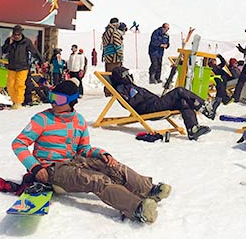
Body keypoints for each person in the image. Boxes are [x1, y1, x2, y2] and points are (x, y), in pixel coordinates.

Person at [11, 79, 170, 223]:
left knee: (112, 166)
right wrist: (36, 167)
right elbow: (18, 144)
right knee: (97, 180)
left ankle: (148, 189)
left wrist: (102, 154)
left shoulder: (78, 120)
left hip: (75, 162)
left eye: (58, 99)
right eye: (52, 97)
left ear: (72, 102)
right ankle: (137, 208)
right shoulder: (42, 119)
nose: (53, 102)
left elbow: (84, 148)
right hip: (51, 169)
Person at [110, 66, 215, 140]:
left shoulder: (130, 86)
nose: (129, 76)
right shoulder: (121, 89)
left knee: (183, 102)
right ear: (121, 77)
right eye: (126, 74)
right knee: (179, 91)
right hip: (150, 108)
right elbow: (133, 102)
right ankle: (204, 106)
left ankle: (193, 129)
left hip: (155, 103)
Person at [2, 25, 44, 110]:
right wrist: (9, 44)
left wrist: (42, 61)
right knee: (10, 85)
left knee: (19, 85)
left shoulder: (26, 42)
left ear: (21, 34)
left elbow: (34, 51)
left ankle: (18, 102)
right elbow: (4, 50)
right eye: (15, 34)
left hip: (23, 67)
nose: (16, 36)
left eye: (18, 34)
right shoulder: (9, 41)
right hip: (12, 67)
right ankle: (14, 101)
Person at [102, 18, 124, 96]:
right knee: (114, 75)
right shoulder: (114, 32)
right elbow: (117, 44)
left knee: (108, 74)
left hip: (107, 57)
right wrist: (120, 55)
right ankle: (112, 91)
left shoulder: (106, 32)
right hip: (114, 58)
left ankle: (108, 91)